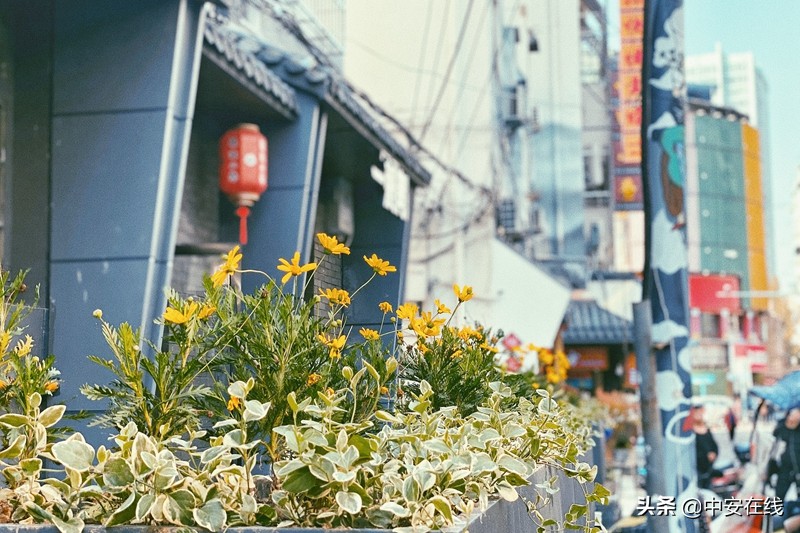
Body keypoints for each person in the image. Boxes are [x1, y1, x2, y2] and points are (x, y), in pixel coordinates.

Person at [770, 407, 800, 502]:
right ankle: (776, 514)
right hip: (784, 468)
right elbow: (774, 437)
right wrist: (787, 423)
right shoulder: (782, 424)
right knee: (778, 497)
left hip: (798, 467)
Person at [691, 404, 719, 490]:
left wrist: (714, 454)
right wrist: (705, 456)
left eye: (700, 412)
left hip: (708, 469)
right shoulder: (690, 432)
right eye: (697, 412)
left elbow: (714, 445)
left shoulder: (706, 429)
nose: (699, 415)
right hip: (696, 469)